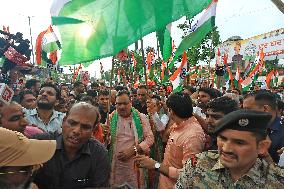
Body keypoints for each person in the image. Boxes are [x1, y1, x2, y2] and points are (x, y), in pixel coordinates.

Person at [175, 109, 284, 188]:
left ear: (261, 147)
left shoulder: (278, 180)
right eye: (222, 138)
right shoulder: (197, 165)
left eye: (239, 142)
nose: (226, 148)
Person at [134, 92, 206, 189]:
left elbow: (189, 175)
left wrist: (155, 165)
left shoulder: (193, 136)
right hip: (165, 182)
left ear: (171, 111)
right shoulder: (178, 125)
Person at [33, 102, 110, 189]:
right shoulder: (39, 143)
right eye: (72, 123)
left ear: (93, 129)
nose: (77, 131)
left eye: (85, 127)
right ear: (63, 121)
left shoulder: (98, 153)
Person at [108, 90, 154, 188]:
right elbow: (107, 139)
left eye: (125, 103)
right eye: (118, 104)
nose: (122, 107)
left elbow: (150, 139)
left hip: (134, 165)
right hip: (117, 165)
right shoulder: (111, 117)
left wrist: (133, 150)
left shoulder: (141, 118)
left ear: (131, 103)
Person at [243, 90, 284, 163]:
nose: (244, 114)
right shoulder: (243, 127)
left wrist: (265, 154)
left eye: (248, 110)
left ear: (265, 109)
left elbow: (280, 173)